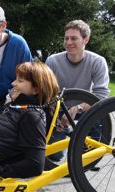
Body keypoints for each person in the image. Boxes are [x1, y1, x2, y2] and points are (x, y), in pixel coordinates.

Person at [45, 20, 110, 161]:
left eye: (74, 38)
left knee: (89, 158)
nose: (68, 42)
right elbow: (46, 92)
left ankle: (88, 152)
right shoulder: (53, 61)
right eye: (66, 38)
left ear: (86, 40)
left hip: (84, 110)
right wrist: (53, 114)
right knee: (53, 156)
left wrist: (78, 108)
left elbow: (101, 95)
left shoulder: (97, 61)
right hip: (60, 110)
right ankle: (63, 143)